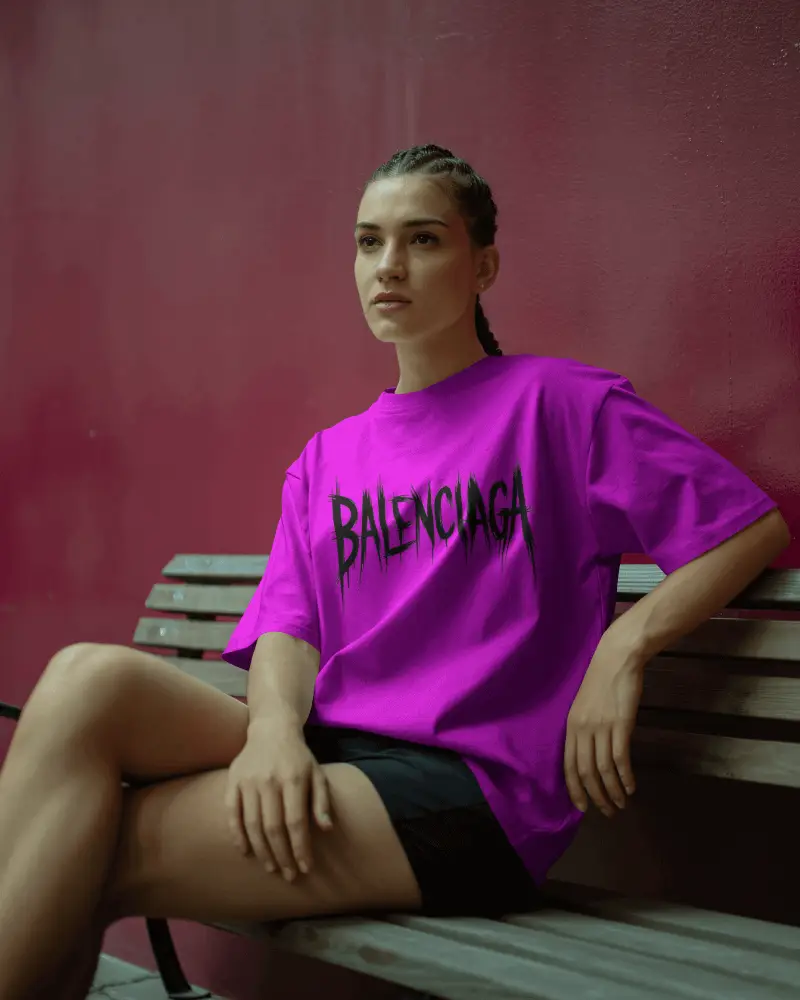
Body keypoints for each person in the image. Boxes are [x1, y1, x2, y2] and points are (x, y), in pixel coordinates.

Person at [0, 144, 790, 1000]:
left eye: (422, 241)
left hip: (474, 791)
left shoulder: (563, 406)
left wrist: (624, 646)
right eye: (368, 242)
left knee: (71, 846)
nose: (389, 267)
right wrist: (271, 735)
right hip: (339, 747)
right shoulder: (328, 458)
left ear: (482, 264)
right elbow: (289, 632)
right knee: (86, 679)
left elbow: (747, 529)